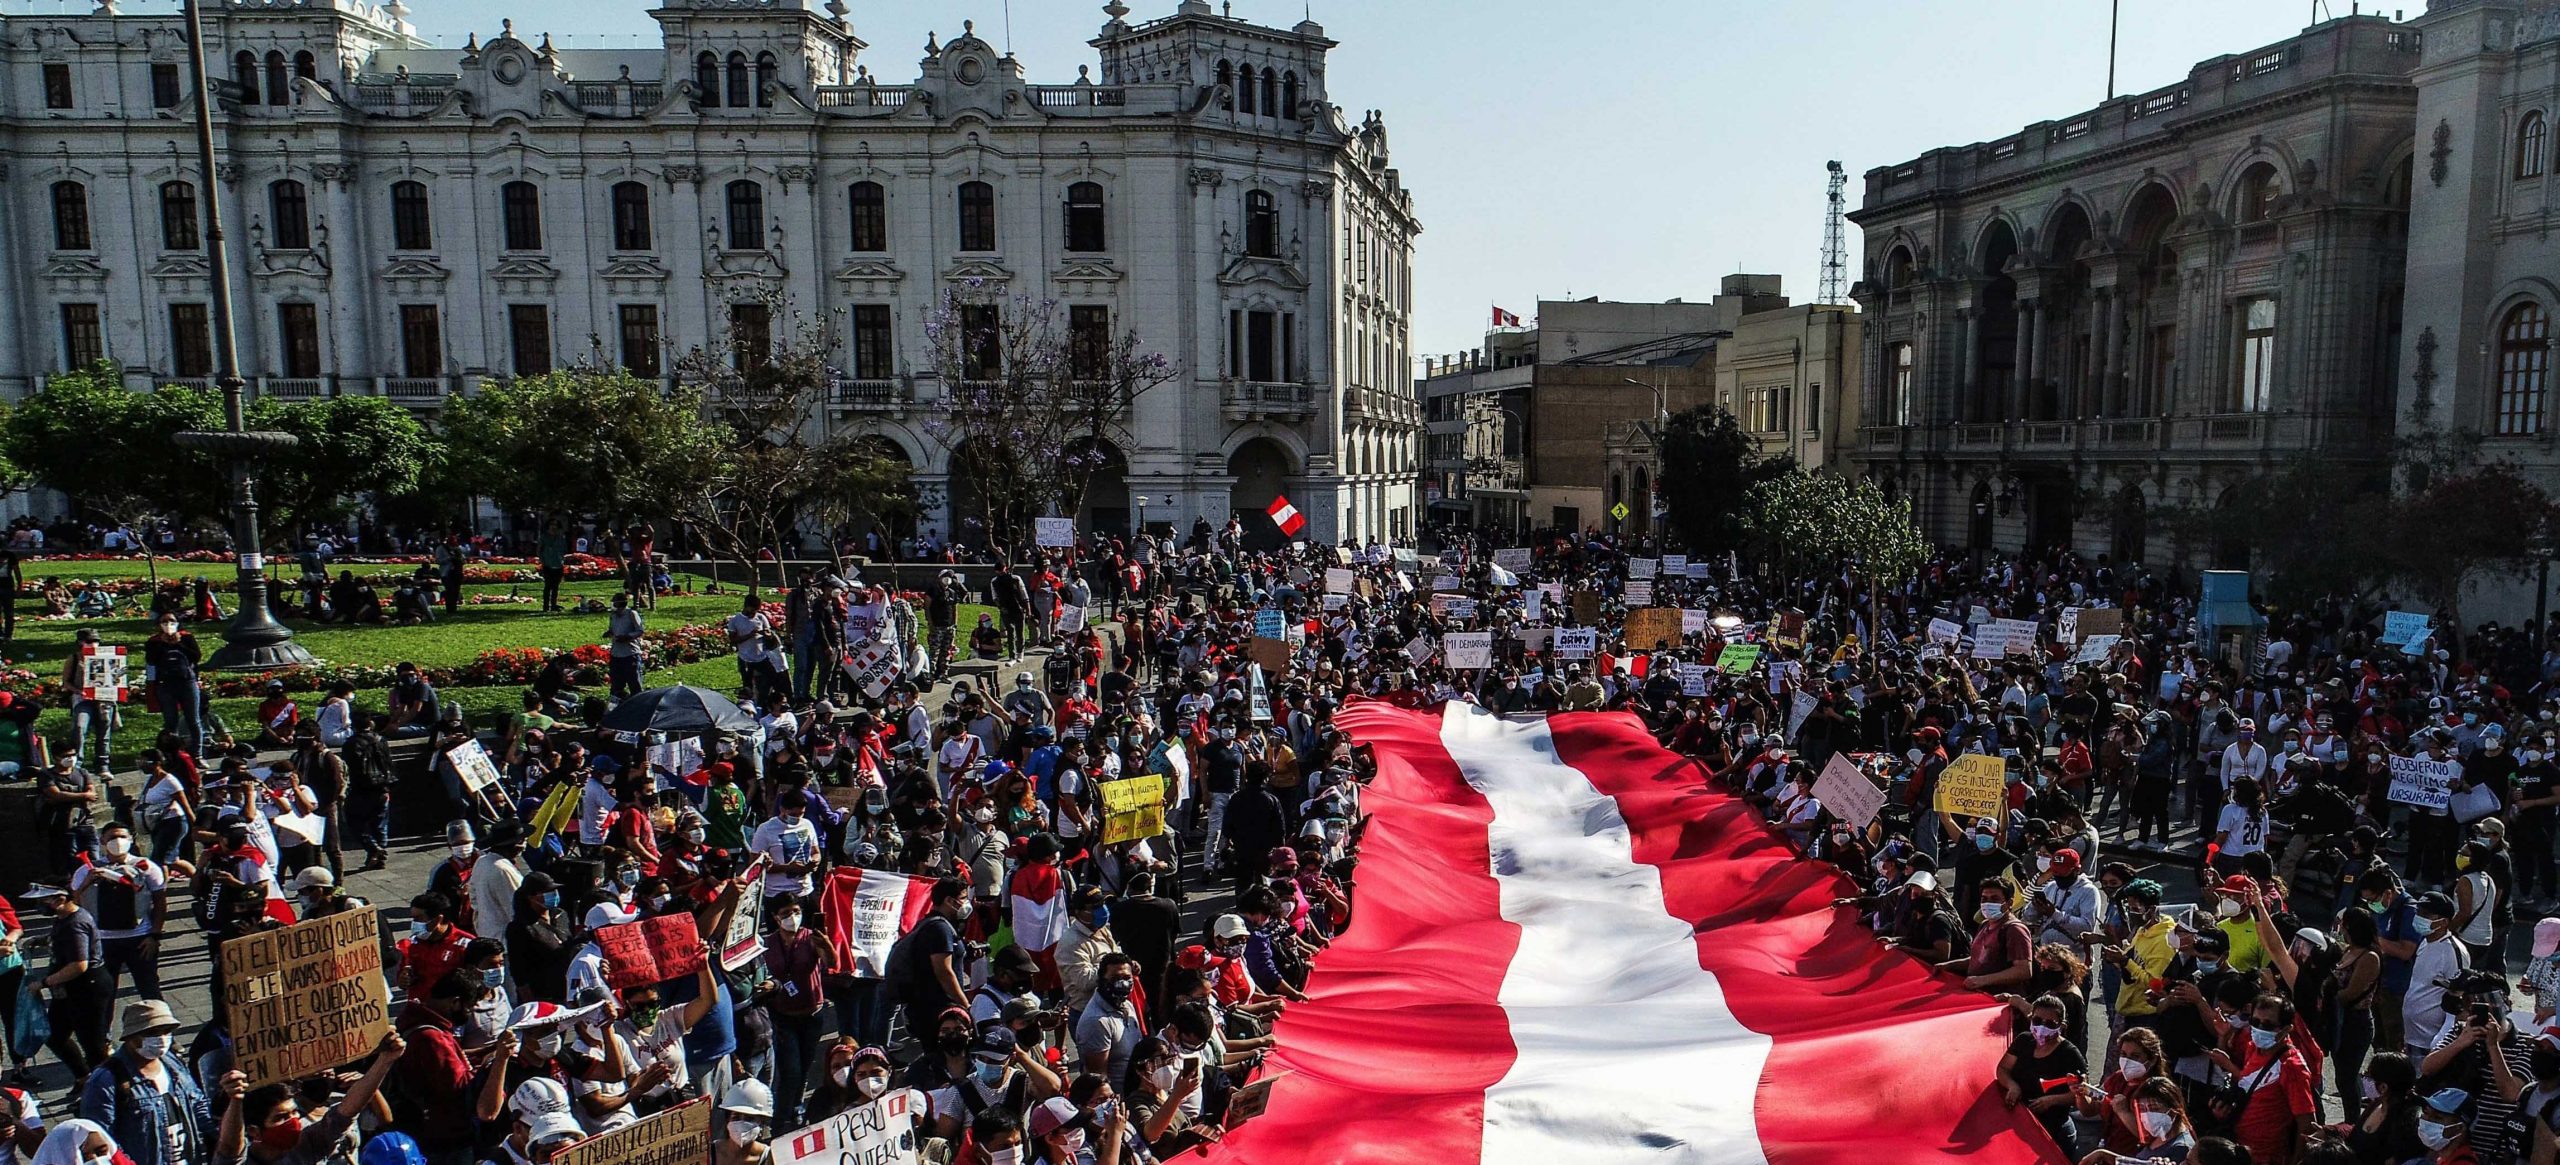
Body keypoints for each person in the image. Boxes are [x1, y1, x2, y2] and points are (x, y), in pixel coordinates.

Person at [78, 1001, 213, 1165]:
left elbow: (198, 1105)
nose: (162, 1039)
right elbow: (100, 1140)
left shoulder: (172, 1063)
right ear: (131, 1037)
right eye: (152, 1033)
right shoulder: (106, 1080)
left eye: (167, 1031)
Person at [758, 897, 834, 1129]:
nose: (792, 916)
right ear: (775, 918)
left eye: (796, 911)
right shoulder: (767, 943)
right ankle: (780, 1119)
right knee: (790, 1070)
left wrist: (826, 944)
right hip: (784, 1017)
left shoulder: (810, 938)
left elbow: (831, 962)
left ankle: (796, 1106)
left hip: (812, 1013)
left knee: (804, 1065)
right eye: (786, 912)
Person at [70, 823, 166, 1005]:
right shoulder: (85, 871)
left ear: (131, 840)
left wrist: (154, 935)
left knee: (150, 989)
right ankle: (103, 1032)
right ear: (102, 842)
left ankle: (160, 1030)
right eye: (112, 838)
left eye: (122, 837)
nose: (118, 842)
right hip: (102, 940)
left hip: (139, 938)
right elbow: (75, 904)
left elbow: (160, 902)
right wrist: (86, 883)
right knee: (103, 994)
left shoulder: (147, 868)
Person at [28, 886, 105, 1078]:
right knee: (55, 1036)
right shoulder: (63, 919)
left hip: (87, 987)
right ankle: (83, 1077)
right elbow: (60, 939)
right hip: (69, 989)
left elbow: (79, 965)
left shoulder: (75, 924)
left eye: (44, 900)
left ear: (60, 899)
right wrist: (41, 940)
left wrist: (44, 983)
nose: (40, 905)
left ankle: (108, 1086)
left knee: (92, 1043)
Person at [605, 594, 646, 700]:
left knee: (634, 684)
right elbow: (612, 629)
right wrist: (609, 633)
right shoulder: (613, 616)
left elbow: (640, 630)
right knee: (616, 685)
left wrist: (628, 637)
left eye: (615, 602)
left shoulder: (631, 614)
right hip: (616, 654)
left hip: (630, 653)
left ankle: (637, 704)